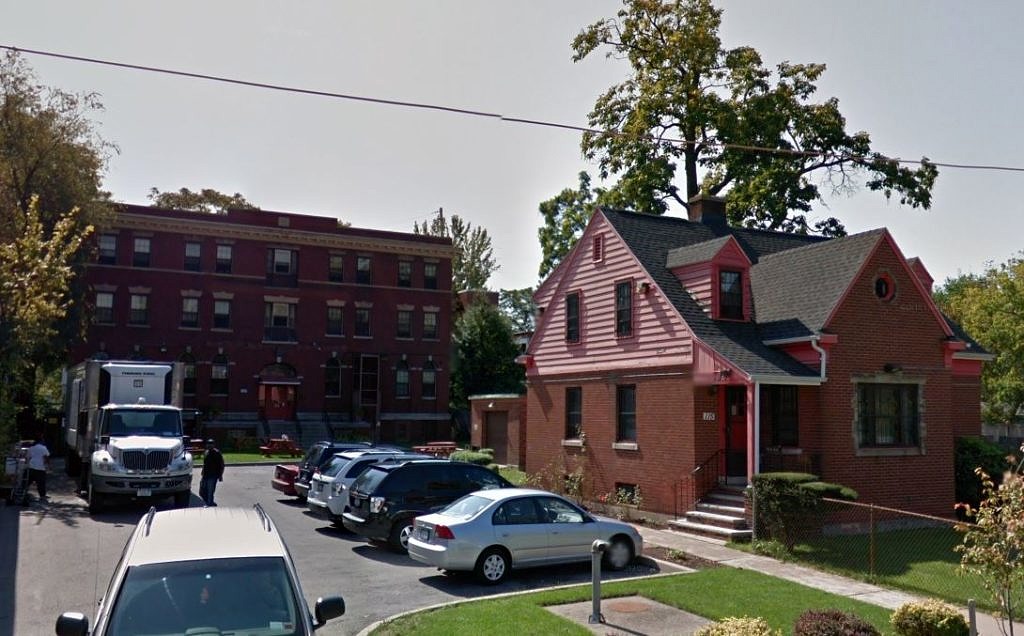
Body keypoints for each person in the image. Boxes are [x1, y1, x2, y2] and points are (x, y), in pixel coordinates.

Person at [199, 439, 225, 506]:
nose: (209, 445)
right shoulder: (206, 452)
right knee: (202, 491)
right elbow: (204, 463)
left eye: (211, 443)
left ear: (214, 445)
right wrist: (202, 471)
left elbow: (221, 465)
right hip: (205, 474)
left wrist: (220, 475)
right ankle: (209, 502)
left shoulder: (217, 453)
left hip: (213, 475)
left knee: (210, 491)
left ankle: (209, 503)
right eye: (208, 443)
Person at [25, 436, 50, 501]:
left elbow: (28, 457)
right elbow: (46, 457)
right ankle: (42, 496)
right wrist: (48, 466)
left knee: (28, 481)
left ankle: (24, 492)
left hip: (31, 466)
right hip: (40, 467)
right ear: (41, 441)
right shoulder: (43, 448)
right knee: (41, 483)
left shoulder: (31, 448)